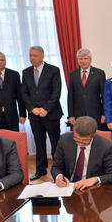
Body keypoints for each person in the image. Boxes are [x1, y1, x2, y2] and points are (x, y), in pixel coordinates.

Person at [21, 46, 63, 181]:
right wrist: (32, 109)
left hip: (51, 114)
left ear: (42, 56)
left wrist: (46, 109)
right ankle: (41, 169)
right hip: (34, 115)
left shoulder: (54, 70)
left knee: (55, 142)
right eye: (30, 55)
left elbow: (56, 92)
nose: (32, 58)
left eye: (35, 55)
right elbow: (24, 93)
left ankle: (58, 169)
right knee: (39, 143)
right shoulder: (26, 72)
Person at [51, 116, 112, 190]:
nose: (80, 143)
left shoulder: (106, 145)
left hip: (92, 188)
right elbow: (56, 167)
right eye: (77, 139)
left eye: (85, 141)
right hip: (68, 186)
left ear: (93, 135)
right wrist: (58, 176)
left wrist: (95, 180)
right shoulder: (64, 140)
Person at [67, 48, 107, 130]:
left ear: (90, 60)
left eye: (86, 58)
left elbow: (104, 96)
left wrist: (104, 114)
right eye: (81, 59)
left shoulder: (99, 73)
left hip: (96, 114)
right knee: (81, 138)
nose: (83, 61)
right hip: (78, 115)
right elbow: (70, 96)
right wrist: (71, 115)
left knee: (96, 138)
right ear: (78, 60)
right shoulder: (72, 74)